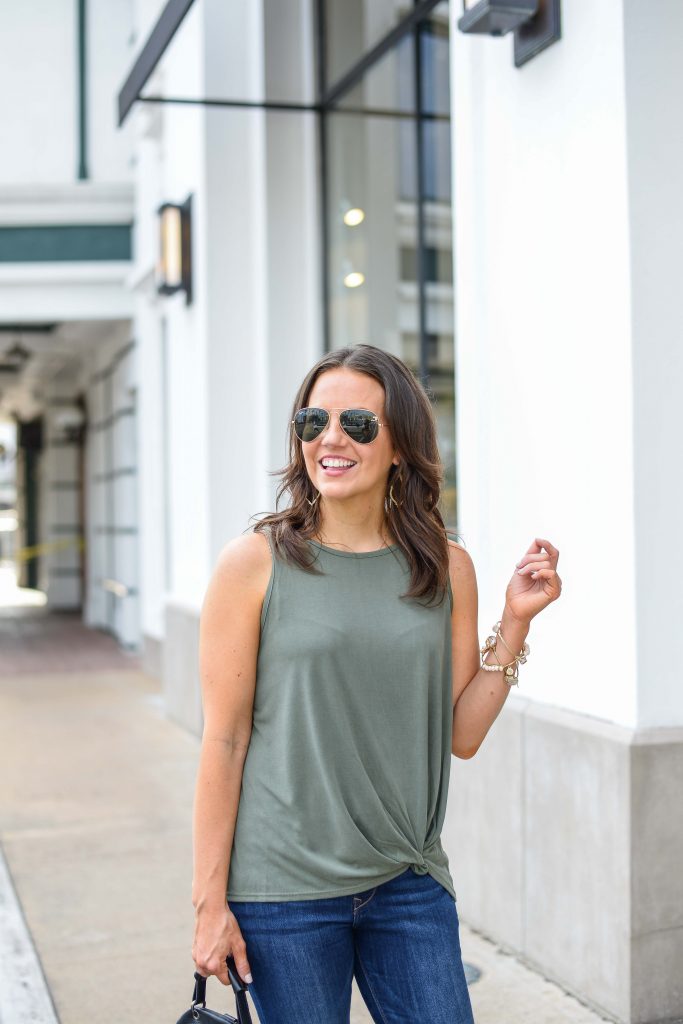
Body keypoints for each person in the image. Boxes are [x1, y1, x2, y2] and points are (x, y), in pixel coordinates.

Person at [191, 343, 561, 1023]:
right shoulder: (253, 563)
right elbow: (223, 740)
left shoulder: (445, 566)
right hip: (283, 892)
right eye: (313, 422)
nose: (330, 439)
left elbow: (461, 734)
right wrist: (208, 905)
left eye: (357, 424)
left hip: (407, 882)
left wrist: (514, 622)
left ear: (399, 447)